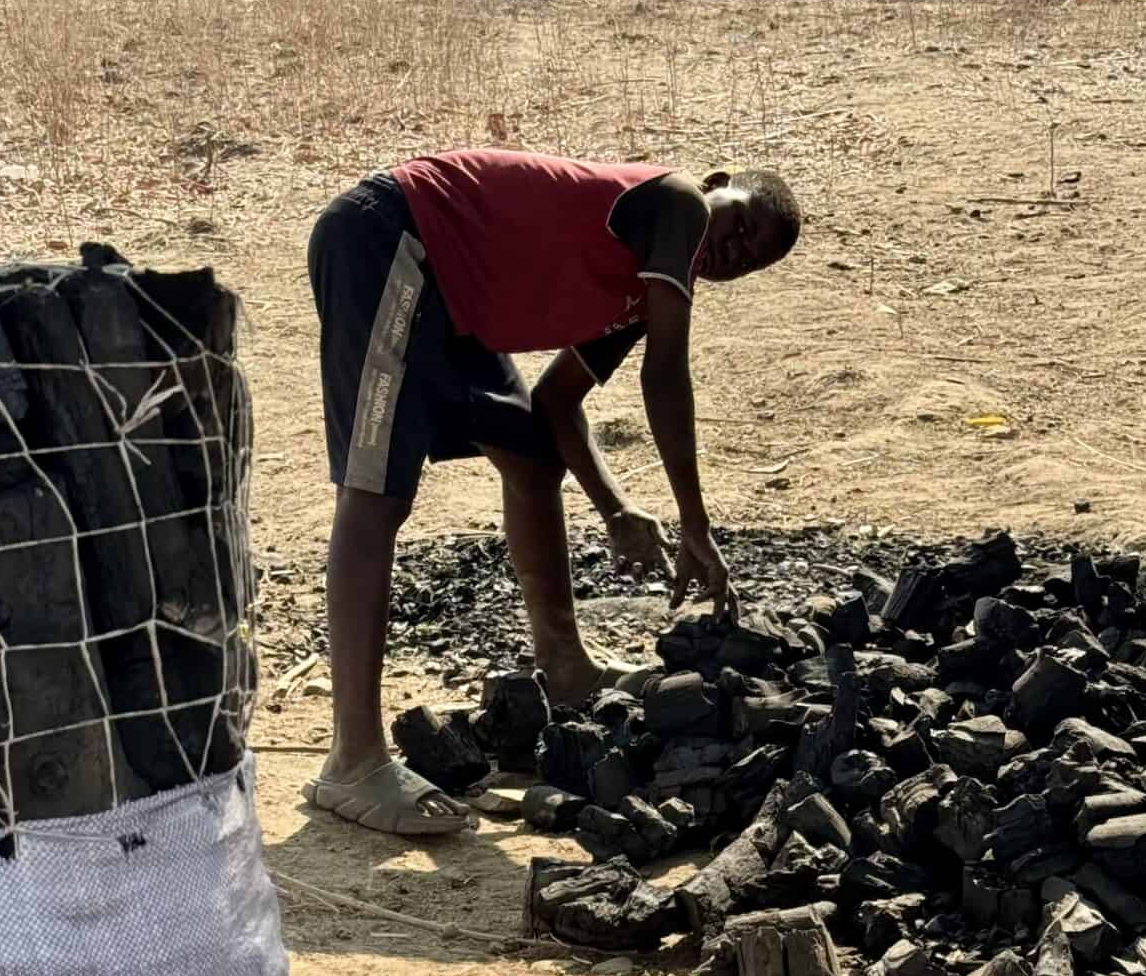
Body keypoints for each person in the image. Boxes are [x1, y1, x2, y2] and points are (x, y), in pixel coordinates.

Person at [306, 147, 802, 837]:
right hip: (395, 236)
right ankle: (353, 759)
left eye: (749, 260)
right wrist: (696, 525)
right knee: (376, 493)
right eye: (741, 224)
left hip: (455, 300)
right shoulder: (679, 202)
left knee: (534, 458)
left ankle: (565, 667)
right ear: (717, 185)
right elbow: (666, 375)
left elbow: (556, 404)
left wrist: (617, 509)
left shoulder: (637, 297)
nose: (734, 250)